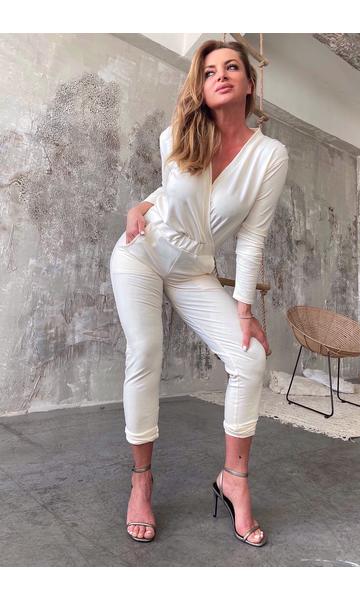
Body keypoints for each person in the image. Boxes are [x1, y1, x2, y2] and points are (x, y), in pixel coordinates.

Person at [109, 39, 289, 547]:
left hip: (193, 272)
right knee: (146, 350)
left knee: (249, 358)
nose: (221, 75)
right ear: (201, 85)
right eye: (210, 71)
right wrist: (141, 206)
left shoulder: (269, 156)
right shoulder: (176, 134)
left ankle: (234, 479)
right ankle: (141, 480)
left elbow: (252, 237)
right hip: (141, 253)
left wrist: (243, 309)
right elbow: (172, 194)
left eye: (232, 67)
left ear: (249, 83)